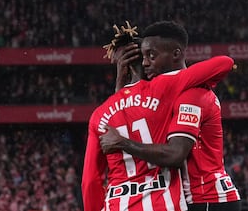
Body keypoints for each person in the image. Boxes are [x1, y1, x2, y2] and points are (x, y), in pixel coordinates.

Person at [82, 22, 235, 211]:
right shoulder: (161, 94)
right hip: (177, 200)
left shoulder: (189, 93)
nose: (146, 63)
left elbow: (175, 154)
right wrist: (121, 90)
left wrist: (122, 141)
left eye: (151, 56)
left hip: (206, 196)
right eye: (144, 57)